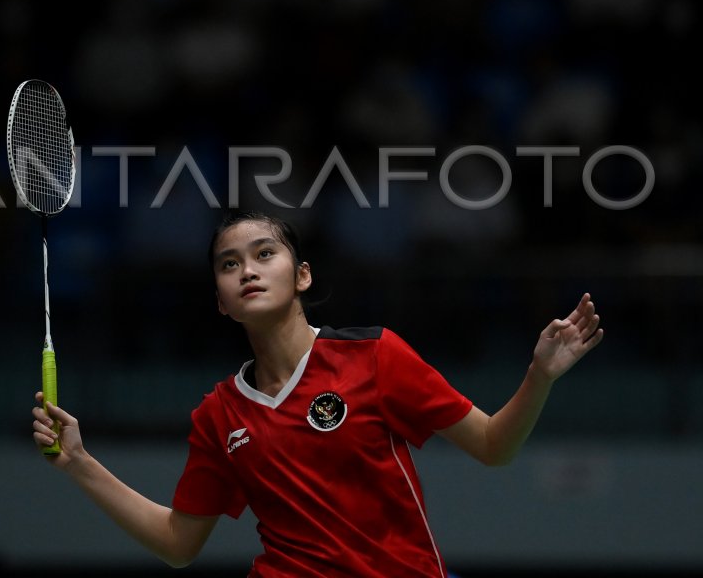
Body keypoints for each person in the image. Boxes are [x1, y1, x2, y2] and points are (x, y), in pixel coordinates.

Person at [31, 211, 604, 576]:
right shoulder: (218, 415)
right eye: (229, 265)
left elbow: (492, 447)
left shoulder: (375, 357)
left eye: (263, 254)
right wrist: (79, 463)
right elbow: (178, 543)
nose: (247, 271)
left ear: (301, 275)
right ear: (221, 302)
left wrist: (539, 376)